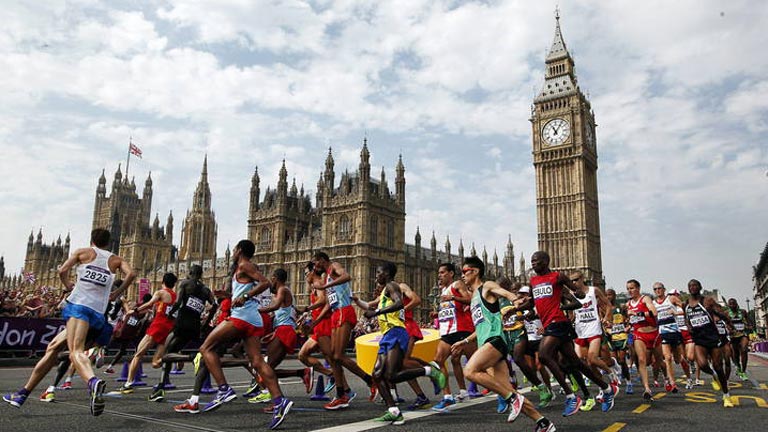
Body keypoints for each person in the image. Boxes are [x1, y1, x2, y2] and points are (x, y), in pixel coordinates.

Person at [4, 229, 135, 416]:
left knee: (75, 351)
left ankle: (93, 382)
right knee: (53, 347)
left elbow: (62, 270)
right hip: (98, 316)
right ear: (109, 242)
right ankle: (22, 394)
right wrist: (117, 293)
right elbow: (131, 275)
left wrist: (67, 285)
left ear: (92, 239)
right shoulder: (116, 260)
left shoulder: (83, 252)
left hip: (80, 308)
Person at [451, 257, 555, 432]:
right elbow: (481, 326)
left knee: (469, 371)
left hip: (496, 341)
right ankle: (543, 422)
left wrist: (515, 300)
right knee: (506, 389)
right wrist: (465, 340)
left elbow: (505, 293)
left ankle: (513, 399)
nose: (462, 275)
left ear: (475, 271)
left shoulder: (487, 286)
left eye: (464, 271)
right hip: (486, 343)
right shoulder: (474, 298)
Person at [198, 240, 292, 429]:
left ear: (240, 250)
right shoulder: (241, 269)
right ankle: (279, 401)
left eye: (234, 249)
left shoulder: (244, 265)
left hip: (242, 318)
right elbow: (248, 289)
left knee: (205, 348)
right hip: (253, 318)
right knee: (257, 361)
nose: (232, 252)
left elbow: (264, 283)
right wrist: (229, 296)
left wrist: (245, 297)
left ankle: (223, 389)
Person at [357, 262, 446, 425]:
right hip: (387, 334)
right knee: (377, 375)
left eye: (379, 272)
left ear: (388, 273)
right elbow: (369, 305)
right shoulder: (385, 291)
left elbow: (399, 304)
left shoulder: (392, 285)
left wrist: (377, 312)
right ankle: (393, 411)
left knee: (392, 375)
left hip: (396, 332)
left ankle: (429, 371)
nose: (376, 275)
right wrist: (355, 300)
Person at [528, 251, 616, 416]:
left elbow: (578, 294)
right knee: (575, 363)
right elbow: (534, 304)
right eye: (531, 261)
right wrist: (519, 310)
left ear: (546, 261)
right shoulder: (533, 281)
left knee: (544, 355)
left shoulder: (557, 276)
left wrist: (572, 298)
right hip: (549, 324)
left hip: (559, 322)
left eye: (536, 261)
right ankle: (606, 388)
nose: (533, 264)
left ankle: (571, 396)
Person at [311, 251, 374, 410]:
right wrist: (315, 321)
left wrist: (325, 286)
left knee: (338, 355)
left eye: (315, 262)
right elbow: (328, 303)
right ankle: (341, 395)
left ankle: (371, 381)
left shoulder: (334, 266)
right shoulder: (326, 276)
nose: (314, 266)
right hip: (335, 313)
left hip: (344, 311)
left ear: (322, 260)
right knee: (333, 357)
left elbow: (346, 276)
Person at [148, 264, 217, 402]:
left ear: (190, 272)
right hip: (195, 326)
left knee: (167, 353)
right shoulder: (205, 290)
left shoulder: (185, 283)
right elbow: (214, 306)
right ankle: (162, 385)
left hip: (182, 322)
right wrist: (206, 322)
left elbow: (178, 302)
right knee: (172, 351)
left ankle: (192, 358)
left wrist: (171, 314)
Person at [247, 268, 313, 405]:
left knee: (266, 369)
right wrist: (273, 332)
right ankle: (301, 374)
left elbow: (275, 308)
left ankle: (279, 401)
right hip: (282, 330)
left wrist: (254, 310)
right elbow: (286, 314)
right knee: (267, 369)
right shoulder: (281, 292)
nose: (270, 281)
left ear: (275, 278)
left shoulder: (283, 290)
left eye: (271, 278)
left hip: (285, 331)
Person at [116, 272, 178, 394]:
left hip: (157, 326)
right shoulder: (176, 297)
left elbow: (150, 303)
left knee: (138, 355)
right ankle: (176, 359)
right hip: (168, 328)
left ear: (163, 282)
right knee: (156, 363)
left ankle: (128, 384)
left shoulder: (160, 293)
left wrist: (133, 311)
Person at [569, 271, 615, 411]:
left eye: (576, 280)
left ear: (582, 279)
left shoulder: (593, 291)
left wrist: (607, 318)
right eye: (572, 281)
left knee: (592, 358)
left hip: (594, 329)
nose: (574, 283)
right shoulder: (571, 295)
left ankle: (611, 374)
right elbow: (571, 314)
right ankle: (604, 389)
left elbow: (608, 305)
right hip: (580, 332)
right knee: (584, 363)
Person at [432, 262, 475, 412]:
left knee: (479, 363)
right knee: (438, 361)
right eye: (439, 273)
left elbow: (470, 299)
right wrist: (437, 314)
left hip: (462, 330)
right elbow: (450, 309)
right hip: (447, 332)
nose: (440, 275)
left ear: (451, 273)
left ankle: (506, 393)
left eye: (443, 272)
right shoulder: (442, 291)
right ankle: (449, 397)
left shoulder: (457, 284)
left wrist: (454, 298)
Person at [685, 279, 733, 407]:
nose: (692, 287)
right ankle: (713, 375)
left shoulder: (707, 301)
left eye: (695, 285)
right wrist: (689, 327)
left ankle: (726, 395)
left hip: (713, 337)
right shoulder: (686, 304)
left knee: (718, 366)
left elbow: (721, 312)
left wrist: (728, 323)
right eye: (690, 286)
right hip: (699, 339)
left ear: (700, 287)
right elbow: (687, 319)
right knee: (702, 364)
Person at [297, 262, 334, 388]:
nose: (305, 276)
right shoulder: (315, 285)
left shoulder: (318, 283)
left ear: (313, 272)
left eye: (307, 273)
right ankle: (331, 375)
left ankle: (345, 385)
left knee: (333, 358)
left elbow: (324, 299)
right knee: (306, 355)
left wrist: (308, 308)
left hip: (323, 324)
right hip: (319, 325)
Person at [625, 279, 662, 401]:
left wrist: (639, 314)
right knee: (642, 360)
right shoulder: (628, 304)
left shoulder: (645, 299)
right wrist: (627, 326)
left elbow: (654, 312)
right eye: (628, 289)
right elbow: (631, 322)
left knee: (658, 360)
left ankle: (665, 379)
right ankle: (647, 389)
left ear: (638, 288)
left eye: (632, 288)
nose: (630, 291)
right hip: (639, 334)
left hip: (653, 333)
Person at [652, 282, 688, 394]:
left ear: (664, 289)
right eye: (655, 289)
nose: (658, 290)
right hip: (663, 332)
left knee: (678, 359)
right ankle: (672, 383)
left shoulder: (671, 299)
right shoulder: (653, 303)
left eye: (659, 288)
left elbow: (684, 308)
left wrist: (676, 312)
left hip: (675, 331)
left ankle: (687, 372)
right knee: (667, 358)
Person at [604, 289, 632, 394]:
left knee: (621, 360)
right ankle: (615, 380)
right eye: (606, 295)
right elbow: (604, 324)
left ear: (614, 296)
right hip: (611, 338)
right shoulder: (604, 309)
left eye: (610, 295)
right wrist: (607, 329)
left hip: (621, 337)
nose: (608, 297)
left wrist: (628, 327)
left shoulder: (621, 308)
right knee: (612, 360)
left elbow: (628, 321)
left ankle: (629, 382)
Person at [726, 298, 752, 381]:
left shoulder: (743, 311)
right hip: (733, 336)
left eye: (734, 303)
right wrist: (729, 329)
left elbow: (749, 321)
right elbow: (725, 323)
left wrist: (749, 326)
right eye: (730, 304)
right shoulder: (726, 313)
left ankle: (743, 371)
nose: (732, 305)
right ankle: (738, 367)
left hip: (743, 333)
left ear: (736, 304)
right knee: (735, 354)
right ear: (728, 305)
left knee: (744, 349)